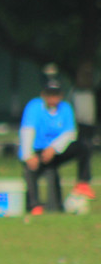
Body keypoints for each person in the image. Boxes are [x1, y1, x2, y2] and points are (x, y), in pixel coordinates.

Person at [19, 78, 95, 214]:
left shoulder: (66, 108)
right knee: (30, 171)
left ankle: (82, 182)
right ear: (43, 95)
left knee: (84, 146)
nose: (53, 98)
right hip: (36, 151)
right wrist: (28, 155)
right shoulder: (34, 107)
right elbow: (27, 131)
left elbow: (70, 133)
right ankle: (34, 205)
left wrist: (53, 148)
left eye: (56, 94)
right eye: (50, 94)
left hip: (56, 152)